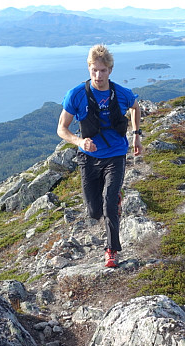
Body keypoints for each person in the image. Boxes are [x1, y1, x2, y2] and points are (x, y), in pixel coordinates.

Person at [57, 44, 143, 268]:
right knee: (94, 211)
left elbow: (136, 107)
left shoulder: (121, 93)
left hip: (115, 155)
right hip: (88, 157)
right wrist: (79, 141)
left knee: (108, 205)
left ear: (110, 70)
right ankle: (114, 199)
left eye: (103, 70)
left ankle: (112, 250)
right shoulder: (76, 95)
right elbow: (61, 128)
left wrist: (137, 136)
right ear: (88, 68)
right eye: (94, 70)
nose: (98, 75)